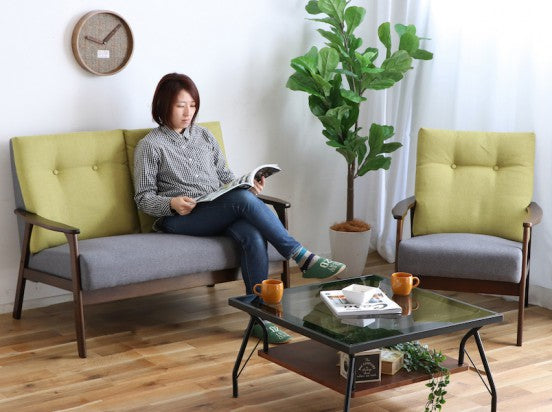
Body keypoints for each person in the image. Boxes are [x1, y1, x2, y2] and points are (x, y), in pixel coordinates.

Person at [134, 73, 346, 343]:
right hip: (180, 218)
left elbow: (225, 177)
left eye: (193, 105)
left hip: (217, 208)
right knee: (243, 202)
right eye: (180, 106)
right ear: (164, 105)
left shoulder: (204, 136)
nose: (188, 113)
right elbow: (143, 198)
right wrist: (171, 203)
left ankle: (260, 319)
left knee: (252, 234)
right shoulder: (150, 145)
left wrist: (248, 185)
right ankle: (301, 256)